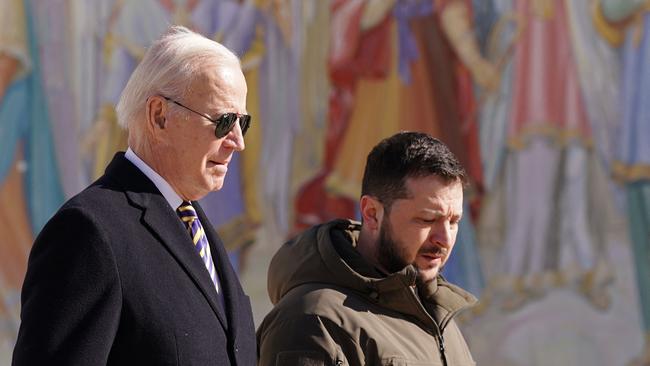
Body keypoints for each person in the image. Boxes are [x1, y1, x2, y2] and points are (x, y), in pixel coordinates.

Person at [12, 26, 256, 365]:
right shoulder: (89, 232)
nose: (237, 142)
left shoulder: (196, 228)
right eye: (223, 121)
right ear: (159, 117)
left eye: (242, 124)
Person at [257, 132, 478, 366]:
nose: (444, 238)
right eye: (427, 219)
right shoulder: (314, 320)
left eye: (454, 222)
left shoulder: (438, 320)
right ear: (372, 214)